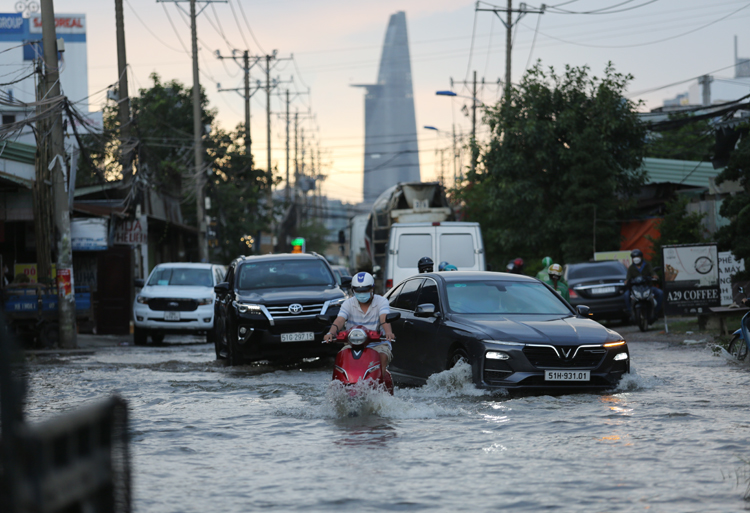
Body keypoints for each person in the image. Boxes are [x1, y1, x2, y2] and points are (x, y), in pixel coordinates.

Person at [323, 271, 395, 379]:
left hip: (378, 343)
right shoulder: (348, 303)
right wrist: (331, 332)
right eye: (358, 291)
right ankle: (340, 386)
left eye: (365, 290)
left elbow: (384, 318)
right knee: (341, 358)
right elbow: (339, 320)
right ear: (353, 290)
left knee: (382, 357)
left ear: (372, 289)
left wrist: (388, 332)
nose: (362, 294)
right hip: (352, 344)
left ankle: (379, 387)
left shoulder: (381, 301)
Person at [624, 249, 663, 322]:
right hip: (636, 288)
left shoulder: (647, 265)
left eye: (637, 256)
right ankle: (631, 313)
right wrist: (626, 281)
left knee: (660, 293)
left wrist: (654, 276)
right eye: (634, 257)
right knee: (626, 295)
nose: (636, 258)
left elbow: (653, 273)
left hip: (647, 287)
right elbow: (628, 278)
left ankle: (656, 312)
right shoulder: (631, 268)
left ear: (641, 257)